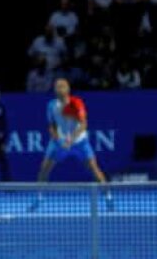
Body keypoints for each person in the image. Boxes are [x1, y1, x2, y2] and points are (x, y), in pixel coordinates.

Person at [30, 78, 112, 210]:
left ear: (68, 89)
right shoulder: (51, 105)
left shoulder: (76, 103)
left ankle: (108, 197)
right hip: (59, 143)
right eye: (57, 87)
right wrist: (58, 140)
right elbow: (51, 126)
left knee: (94, 168)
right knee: (44, 169)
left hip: (79, 142)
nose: (59, 89)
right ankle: (38, 198)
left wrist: (71, 139)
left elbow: (83, 124)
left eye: (62, 86)